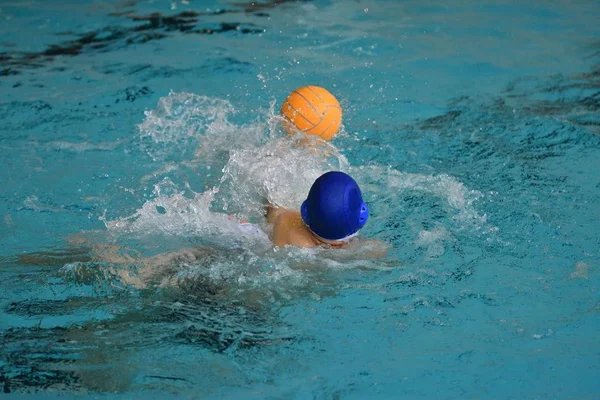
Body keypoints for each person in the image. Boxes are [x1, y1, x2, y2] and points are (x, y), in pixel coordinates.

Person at [265, 171, 369, 249]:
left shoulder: (285, 222)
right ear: (362, 217)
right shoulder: (365, 251)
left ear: (305, 212)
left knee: (274, 206)